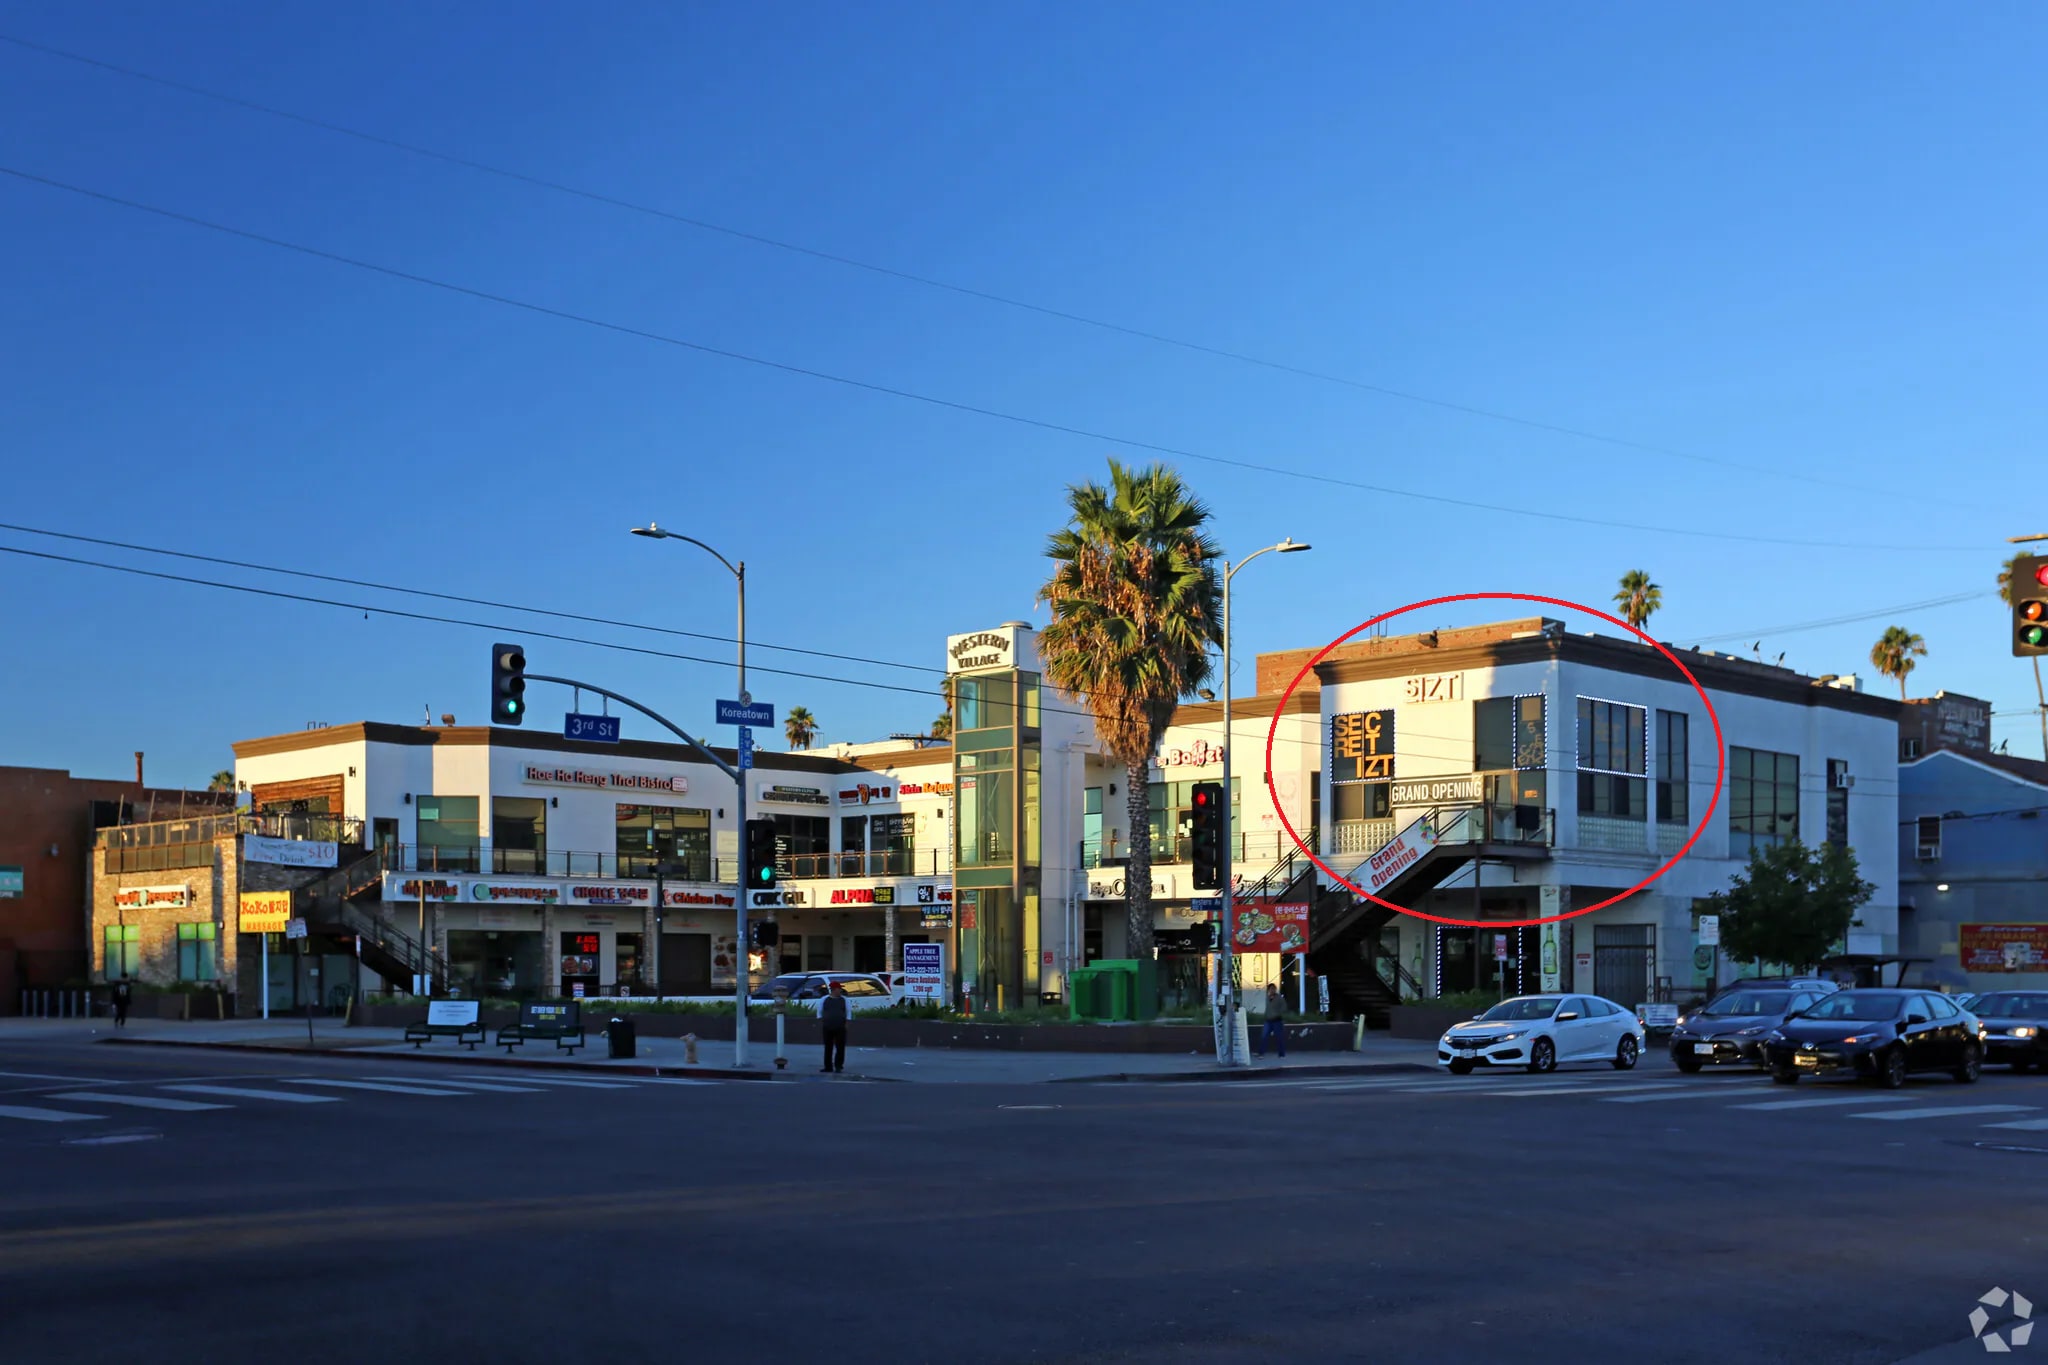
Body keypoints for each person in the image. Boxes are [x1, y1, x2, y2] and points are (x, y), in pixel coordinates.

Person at [819, 982, 849, 1073]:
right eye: (839, 989)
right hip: (828, 1026)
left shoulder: (844, 1000)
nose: (840, 990)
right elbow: (819, 1011)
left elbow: (848, 1012)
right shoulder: (824, 999)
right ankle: (828, 1066)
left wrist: (846, 1023)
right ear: (834, 989)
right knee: (828, 1047)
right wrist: (823, 1022)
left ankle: (838, 1065)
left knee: (840, 1046)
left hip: (840, 1026)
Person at [1257, 983, 1286, 1058]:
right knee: (1264, 1036)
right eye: (1271, 989)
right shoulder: (1267, 998)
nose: (1273, 990)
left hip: (1277, 1020)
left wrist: (1278, 1013)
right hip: (1268, 1020)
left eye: (1274, 989)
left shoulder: (1279, 998)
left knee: (1279, 1037)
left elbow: (1284, 1007)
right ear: (1268, 990)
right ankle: (1261, 1052)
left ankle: (1281, 1053)